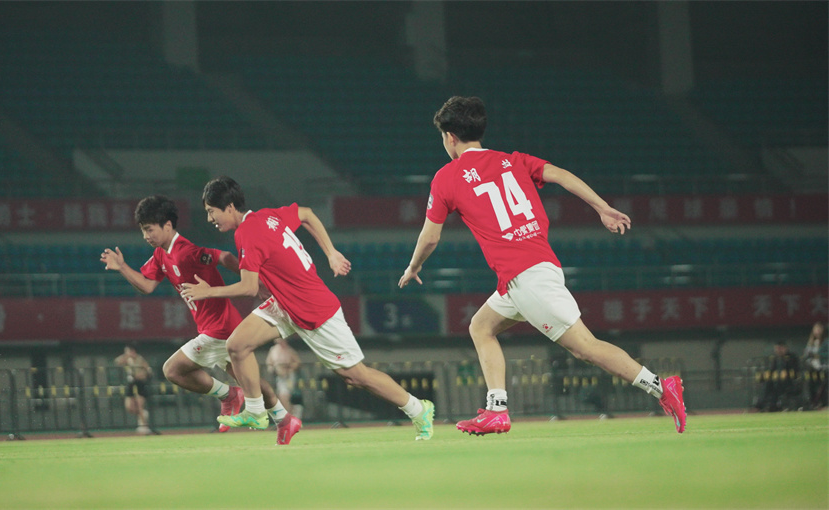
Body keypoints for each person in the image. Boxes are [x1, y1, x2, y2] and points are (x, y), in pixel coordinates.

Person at [398, 96, 686, 435]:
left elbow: (430, 237)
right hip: (529, 272)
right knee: (481, 327)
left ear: (450, 137)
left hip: (528, 278)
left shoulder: (447, 177)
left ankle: (661, 387)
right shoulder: (513, 160)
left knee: (585, 348)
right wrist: (602, 207)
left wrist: (414, 267)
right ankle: (496, 409)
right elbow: (562, 175)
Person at [179, 176, 435, 441]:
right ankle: (255, 411)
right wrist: (330, 252)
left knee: (356, 376)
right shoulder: (267, 216)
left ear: (230, 207)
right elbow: (307, 214)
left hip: (313, 309)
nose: (209, 218)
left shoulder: (247, 232)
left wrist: (208, 292)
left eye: (211, 211)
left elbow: (248, 287)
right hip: (284, 303)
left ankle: (418, 409)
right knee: (237, 345)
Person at [101, 195, 302, 444]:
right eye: (143, 230)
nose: (145, 235)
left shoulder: (187, 252)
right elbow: (147, 285)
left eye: (149, 229)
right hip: (220, 328)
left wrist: (255, 281)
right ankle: (285, 420)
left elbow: (223, 256)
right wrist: (122, 267)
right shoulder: (161, 255)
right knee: (252, 382)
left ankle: (228, 395)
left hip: (219, 330)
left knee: (172, 370)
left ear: (167, 225)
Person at [114, 343, 154, 434]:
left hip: (140, 383)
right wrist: (125, 356)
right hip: (131, 383)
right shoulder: (128, 359)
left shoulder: (140, 359)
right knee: (129, 407)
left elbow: (148, 370)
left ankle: (144, 426)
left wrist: (141, 375)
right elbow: (117, 361)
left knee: (139, 405)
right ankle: (143, 415)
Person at [756, 341, 802, 412]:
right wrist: (764, 376)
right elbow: (771, 371)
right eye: (776, 349)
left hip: (790, 381)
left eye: (780, 348)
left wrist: (787, 373)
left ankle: (774, 405)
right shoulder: (776, 359)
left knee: (776, 385)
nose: (778, 351)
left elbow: (796, 370)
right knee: (768, 384)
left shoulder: (792, 357)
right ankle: (764, 405)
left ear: (785, 348)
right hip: (778, 381)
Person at [267, 337, 303, 418]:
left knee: (286, 395)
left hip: (289, 376)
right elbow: (269, 363)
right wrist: (273, 369)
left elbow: (297, 362)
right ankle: (288, 415)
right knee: (281, 396)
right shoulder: (273, 350)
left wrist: (290, 368)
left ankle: (289, 415)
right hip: (278, 376)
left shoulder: (289, 350)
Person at [802, 322, 828, 409]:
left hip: (824, 367)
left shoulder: (826, 342)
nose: (817, 331)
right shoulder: (810, 343)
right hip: (812, 369)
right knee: (809, 383)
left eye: (819, 329)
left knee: (824, 384)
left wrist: (818, 356)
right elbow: (806, 356)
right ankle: (811, 403)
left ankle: (824, 403)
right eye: (816, 329)